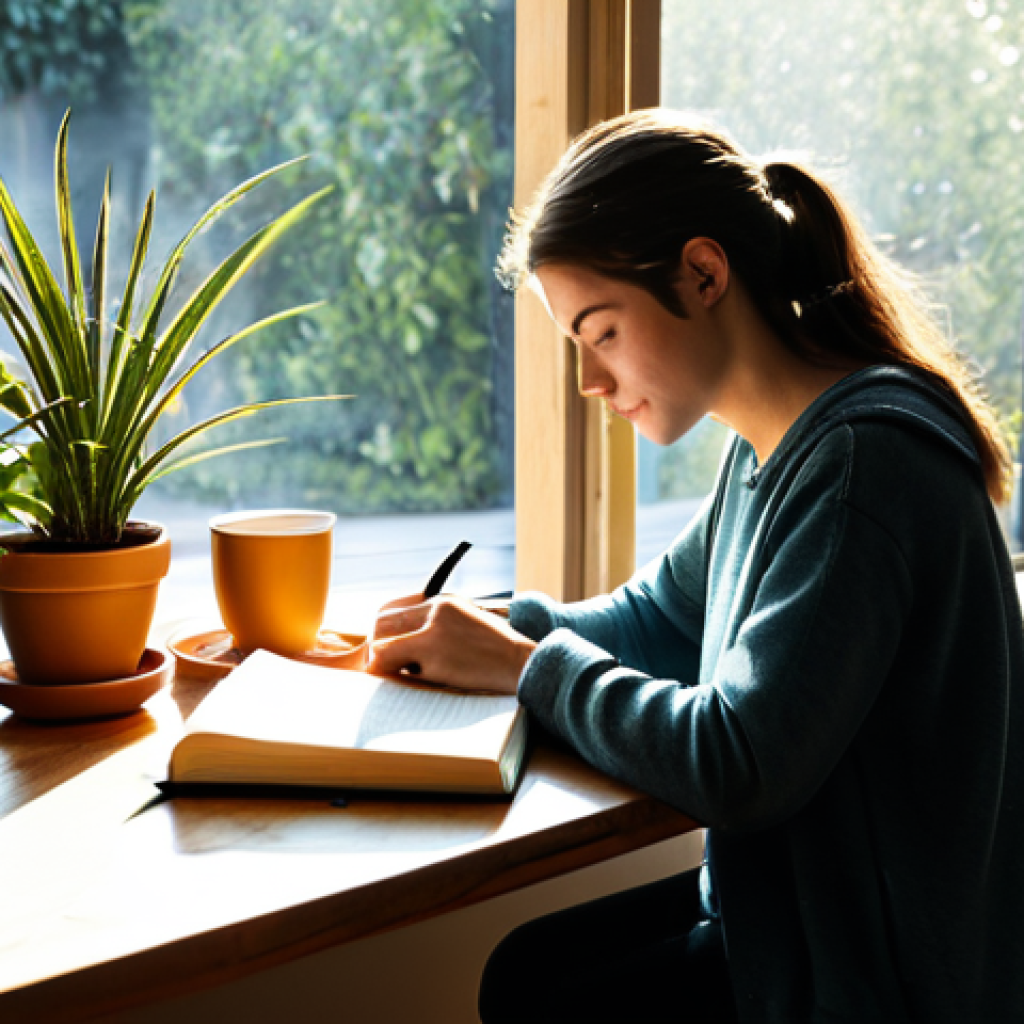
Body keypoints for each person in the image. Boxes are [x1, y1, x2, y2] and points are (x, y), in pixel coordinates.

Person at [367, 109, 1024, 1023]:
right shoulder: (770, 451)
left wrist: (525, 670)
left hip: (873, 985)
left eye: (601, 333)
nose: (591, 384)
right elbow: (660, 621)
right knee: (526, 970)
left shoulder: (863, 469)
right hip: (798, 927)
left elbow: (740, 761)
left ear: (704, 274)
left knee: (542, 996)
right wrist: (485, 633)